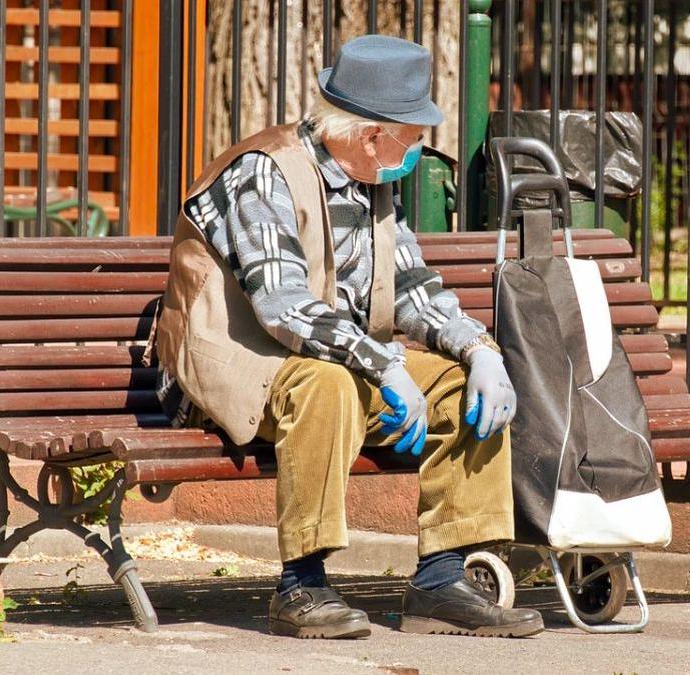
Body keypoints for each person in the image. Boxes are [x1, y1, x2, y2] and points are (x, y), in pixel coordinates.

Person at [152, 35, 541, 640]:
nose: (418, 150)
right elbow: (283, 308)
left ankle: (442, 579)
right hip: (229, 365)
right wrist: (384, 366)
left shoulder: (372, 183)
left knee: (464, 387)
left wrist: (478, 349)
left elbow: (413, 290)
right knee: (330, 385)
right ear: (371, 135)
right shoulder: (263, 172)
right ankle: (301, 585)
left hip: (332, 361)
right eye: (413, 137)